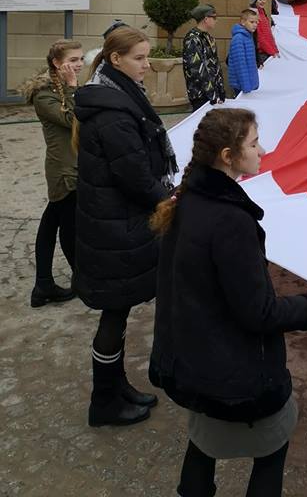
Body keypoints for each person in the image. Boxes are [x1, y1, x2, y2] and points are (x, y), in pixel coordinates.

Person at [149, 108, 307, 497]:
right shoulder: (230, 221)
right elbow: (259, 312)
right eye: (254, 144)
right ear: (228, 155)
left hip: (194, 360)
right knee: (272, 449)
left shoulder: (188, 200)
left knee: (203, 444)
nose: (263, 151)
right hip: (234, 375)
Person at [74, 26, 176, 428]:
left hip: (114, 221)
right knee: (114, 314)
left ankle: (117, 387)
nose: (146, 65)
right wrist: (167, 200)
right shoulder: (114, 112)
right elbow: (134, 175)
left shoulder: (117, 95)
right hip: (115, 227)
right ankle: (104, 401)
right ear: (115, 60)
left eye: (148, 56)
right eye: (139, 58)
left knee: (117, 313)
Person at [21, 39, 84, 307]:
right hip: (63, 171)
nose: (78, 65)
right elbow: (73, 119)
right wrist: (73, 87)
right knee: (67, 227)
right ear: (57, 63)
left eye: (81, 59)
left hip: (74, 165)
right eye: (72, 60)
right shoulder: (44, 94)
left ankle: (43, 285)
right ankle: (79, 279)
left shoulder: (62, 87)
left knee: (51, 222)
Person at [182, 4, 226, 112]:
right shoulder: (193, 39)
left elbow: (215, 64)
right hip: (200, 94)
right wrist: (212, 94)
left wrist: (220, 89)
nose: (216, 20)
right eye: (214, 17)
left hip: (212, 93)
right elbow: (197, 70)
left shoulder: (208, 37)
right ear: (206, 19)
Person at [228, 10, 260, 96]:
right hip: (241, 85)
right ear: (243, 22)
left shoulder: (248, 36)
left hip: (248, 83)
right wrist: (246, 86)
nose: (255, 25)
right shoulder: (238, 38)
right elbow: (240, 64)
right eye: (252, 22)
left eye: (256, 22)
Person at [249, 0, 279, 65]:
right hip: (261, 53)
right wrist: (272, 52)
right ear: (255, 1)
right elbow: (260, 37)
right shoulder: (254, 15)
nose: (263, 1)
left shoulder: (262, 12)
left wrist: (275, 50)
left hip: (267, 51)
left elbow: (269, 35)